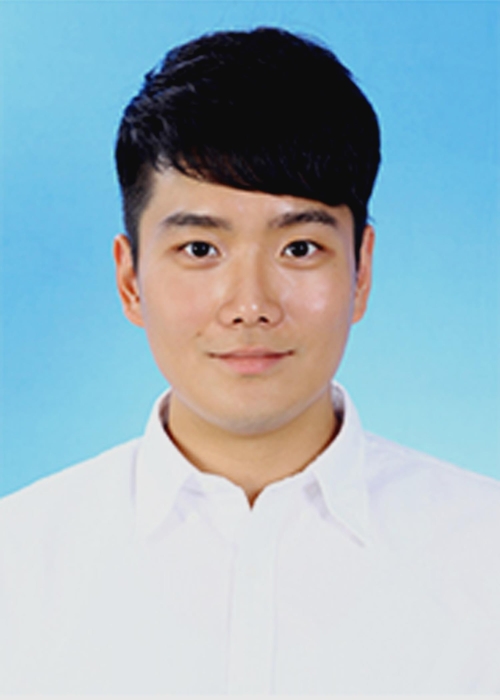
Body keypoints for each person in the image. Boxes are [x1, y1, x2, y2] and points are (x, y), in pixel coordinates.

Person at [1, 26, 499, 694]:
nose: (250, 305)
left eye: (299, 249)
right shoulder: (17, 565)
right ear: (129, 280)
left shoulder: (485, 556)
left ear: (361, 272)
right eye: (200, 250)